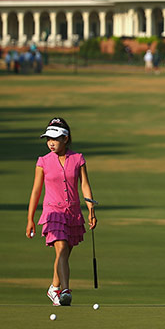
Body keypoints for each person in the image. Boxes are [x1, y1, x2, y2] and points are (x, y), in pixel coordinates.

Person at [26, 117, 97, 307]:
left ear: (65, 139)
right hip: (52, 212)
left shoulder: (78, 159)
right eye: (48, 138)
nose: (51, 142)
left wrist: (91, 209)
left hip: (73, 212)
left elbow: (85, 185)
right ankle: (65, 291)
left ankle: (54, 287)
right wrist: (30, 219)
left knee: (64, 253)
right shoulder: (43, 162)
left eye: (55, 139)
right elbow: (36, 191)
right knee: (62, 249)